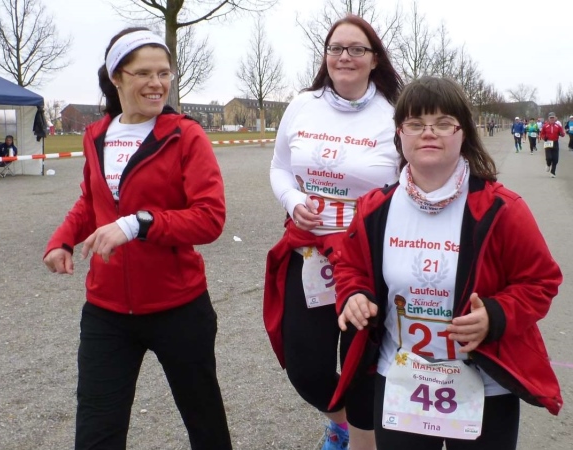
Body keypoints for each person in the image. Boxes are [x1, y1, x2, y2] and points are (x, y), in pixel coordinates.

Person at [330, 76, 563, 450]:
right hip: (401, 380)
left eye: (443, 123)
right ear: (399, 133)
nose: (428, 133)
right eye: (415, 123)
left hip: (484, 386)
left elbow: (541, 281)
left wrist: (496, 315)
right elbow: (349, 266)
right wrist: (355, 294)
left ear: (463, 132)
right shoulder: (374, 208)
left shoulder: (502, 209)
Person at [43, 27, 232, 450]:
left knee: (205, 426)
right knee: (96, 433)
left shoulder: (185, 135)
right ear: (116, 77)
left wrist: (138, 224)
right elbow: (91, 201)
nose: (157, 83)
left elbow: (209, 218)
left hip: (179, 308)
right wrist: (63, 238)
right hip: (107, 311)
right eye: (143, 73)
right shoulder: (96, 135)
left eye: (164, 73)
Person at [264, 13, 403, 450]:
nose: (345, 56)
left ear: (374, 58)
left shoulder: (393, 114)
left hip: (367, 261)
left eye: (357, 49)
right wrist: (293, 200)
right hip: (308, 253)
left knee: (362, 366)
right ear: (325, 56)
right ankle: (340, 424)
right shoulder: (303, 105)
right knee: (305, 369)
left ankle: (361, 439)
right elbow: (280, 168)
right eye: (336, 48)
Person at [540, 111, 565, 178]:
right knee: (549, 157)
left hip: (555, 142)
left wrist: (561, 134)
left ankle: (553, 172)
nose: (552, 119)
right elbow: (542, 134)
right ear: (548, 118)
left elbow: (563, 134)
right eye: (551, 118)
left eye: (553, 118)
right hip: (548, 142)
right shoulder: (545, 126)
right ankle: (548, 164)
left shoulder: (558, 126)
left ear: (555, 118)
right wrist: (544, 137)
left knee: (555, 159)